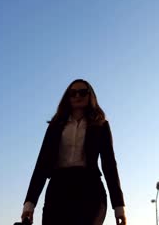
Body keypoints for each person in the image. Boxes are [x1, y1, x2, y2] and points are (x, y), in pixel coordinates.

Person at [21, 79, 126, 225]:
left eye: (83, 92)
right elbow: (42, 164)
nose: (77, 96)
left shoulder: (100, 126)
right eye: (73, 93)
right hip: (58, 190)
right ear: (67, 97)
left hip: (90, 190)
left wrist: (119, 206)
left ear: (90, 96)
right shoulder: (55, 126)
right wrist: (30, 203)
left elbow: (109, 165)